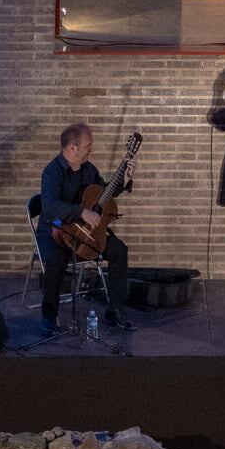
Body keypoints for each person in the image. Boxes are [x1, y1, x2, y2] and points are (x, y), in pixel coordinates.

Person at [37, 123, 136, 336]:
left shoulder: (89, 170)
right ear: (72, 148)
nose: (91, 150)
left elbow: (104, 194)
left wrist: (125, 180)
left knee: (119, 250)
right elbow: (49, 206)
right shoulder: (52, 172)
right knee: (56, 261)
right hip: (54, 232)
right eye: (88, 146)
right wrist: (81, 212)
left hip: (87, 233)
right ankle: (49, 316)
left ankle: (115, 310)